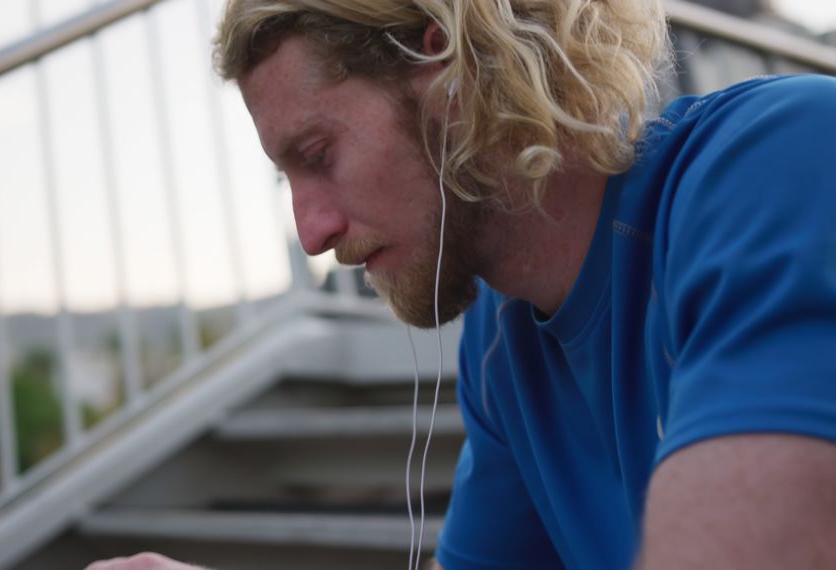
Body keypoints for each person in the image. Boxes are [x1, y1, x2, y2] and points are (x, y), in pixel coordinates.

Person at [88, 0, 836, 568]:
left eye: (317, 154)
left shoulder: (779, 164)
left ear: (445, 63)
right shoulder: (501, 340)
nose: (310, 229)